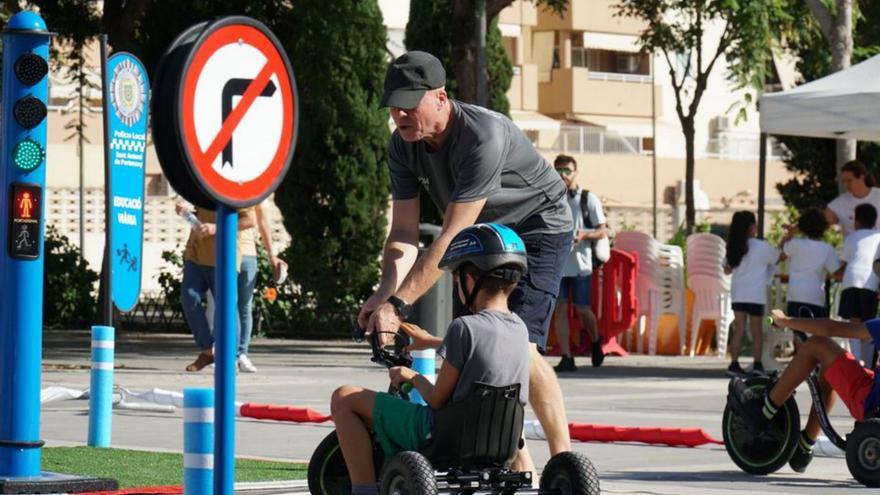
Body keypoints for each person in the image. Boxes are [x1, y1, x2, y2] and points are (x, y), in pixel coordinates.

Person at [359, 51, 574, 470]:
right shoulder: (402, 147)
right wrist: (383, 296)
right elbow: (404, 234)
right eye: (394, 106)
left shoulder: (482, 136)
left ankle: (565, 464)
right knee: (474, 349)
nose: (400, 114)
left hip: (537, 226)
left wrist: (398, 306)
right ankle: (519, 469)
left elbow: (451, 235)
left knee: (518, 346)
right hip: (482, 237)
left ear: (440, 97)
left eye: (410, 102)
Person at [333, 224, 531, 495]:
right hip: (501, 442)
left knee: (345, 397)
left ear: (470, 279)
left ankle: (364, 490)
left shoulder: (464, 327)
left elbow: (437, 400)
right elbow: (486, 347)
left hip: (444, 438)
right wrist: (433, 341)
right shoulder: (520, 329)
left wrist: (410, 375)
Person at [728, 308, 880, 474]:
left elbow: (832, 329)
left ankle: (762, 414)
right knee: (831, 366)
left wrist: (786, 321)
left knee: (817, 344)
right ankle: (804, 445)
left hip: (870, 403)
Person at [177, 203, 256, 372]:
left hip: (224, 257)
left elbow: (250, 220)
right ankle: (207, 351)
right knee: (189, 297)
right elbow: (198, 213)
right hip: (196, 254)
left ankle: (231, 358)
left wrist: (216, 228)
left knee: (227, 308)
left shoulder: (231, 187)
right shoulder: (199, 187)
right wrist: (186, 211)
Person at [552, 154, 606, 371]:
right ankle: (567, 356)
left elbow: (602, 231)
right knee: (561, 310)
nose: (563, 175)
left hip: (582, 265)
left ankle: (595, 341)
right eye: (559, 171)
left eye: (567, 171)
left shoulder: (587, 199)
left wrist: (582, 235)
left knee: (583, 310)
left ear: (575, 172)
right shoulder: (552, 197)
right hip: (559, 265)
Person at [724, 211, 779, 377]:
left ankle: (733, 364)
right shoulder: (761, 247)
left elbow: (726, 269)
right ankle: (757, 364)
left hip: (738, 293)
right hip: (755, 294)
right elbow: (777, 258)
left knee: (739, 328)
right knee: (756, 330)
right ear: (751, 227)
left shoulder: (733, 246)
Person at [236, 201, 288, 373]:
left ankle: (241, 353)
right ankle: (229, 354)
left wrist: (271, 255)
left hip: (248, 254)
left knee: (244, 306)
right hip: (224, 252)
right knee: (228, 305)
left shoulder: (256, 193)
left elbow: (263, 222)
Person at [837, 203, 880, 366]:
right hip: (871, 281)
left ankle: (855, 360)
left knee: (853, 322)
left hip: (851, 279)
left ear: (856, 221)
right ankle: (869, 362)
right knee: (869, 324)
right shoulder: (878, 236)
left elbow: (843, 261)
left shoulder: (851, 237)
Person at [779, 207, 841, 319]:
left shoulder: (795, 244)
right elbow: (836, 272)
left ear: (802, 226)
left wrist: (791, 232)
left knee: (797, 332)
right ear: (824, 228)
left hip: (795, 295)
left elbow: (782, 249)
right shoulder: (827, 249)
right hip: (815, 297)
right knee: (815, 333)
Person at [825, 160, 880, 236]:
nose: (846, 185)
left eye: (849, 181)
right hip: (853, 247)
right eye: (844, 181)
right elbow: (824, 222)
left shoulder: (878, 195)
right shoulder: (839, 203)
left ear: (861, 177)